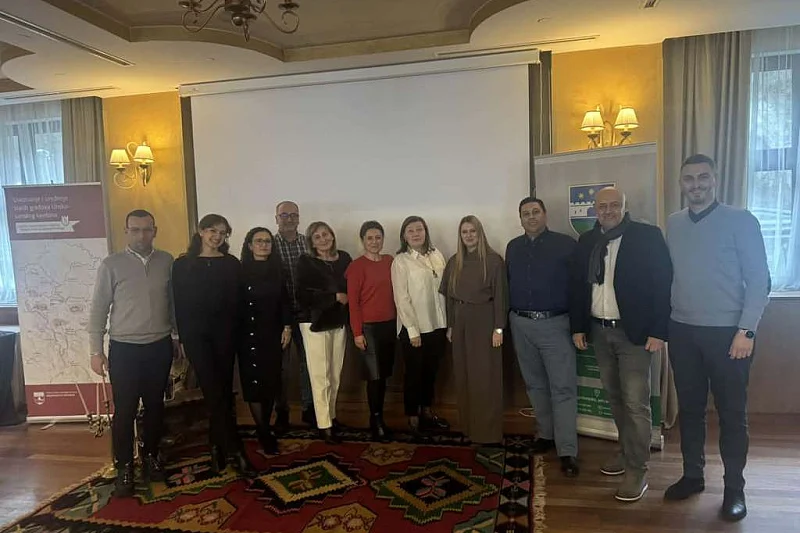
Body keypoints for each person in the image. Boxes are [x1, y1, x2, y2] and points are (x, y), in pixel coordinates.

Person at [664, 154, 770, 522]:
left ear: (715, 179)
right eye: (689, 178)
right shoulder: (674, 223)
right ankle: (693, 476)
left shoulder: (741, 220)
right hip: (682, 331)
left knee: (732, 415)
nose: (696, 184)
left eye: (703, 177)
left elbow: (759, 279)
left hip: (730, 335)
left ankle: (734, 489)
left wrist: (747, 330)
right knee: (690, 410)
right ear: (681, 183)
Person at [570, 187, 672, 502]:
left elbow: (663, 283)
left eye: (615, 205)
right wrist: (578, 327)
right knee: (615, 398)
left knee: (636, 403)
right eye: (603, 206)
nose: (608, 211)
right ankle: (627, 451)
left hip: (635, 335)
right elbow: (578, 286)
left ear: (624, 207)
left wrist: (659, 331)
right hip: (599, 331)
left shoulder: (646, 236)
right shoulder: (587, 241)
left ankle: (637, 469)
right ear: (595, 209)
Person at [88, 209, 177, 497]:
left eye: (147, 229)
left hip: (159, 345)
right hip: (124, 348)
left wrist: (176, 337)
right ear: (126, 231)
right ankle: (124, 466)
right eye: (135, 229)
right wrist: (95, 351)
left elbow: (173, 303)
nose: (141, 235)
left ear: (155, 231)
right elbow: (98, 309)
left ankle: (151, 456)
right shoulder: (111, 265)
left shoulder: (167, 261)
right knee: (125, 410)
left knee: (155, 407)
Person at [172, 214, 255, 476]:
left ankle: (216, 445)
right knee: (213, 390)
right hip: (196, 337)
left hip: (226, 335)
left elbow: (240, 303)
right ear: (200, 231)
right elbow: (178, 304)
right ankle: (236, 450)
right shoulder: (182, 265)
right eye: (212, 230)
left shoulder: (231, 264)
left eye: (222, 232)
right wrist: (179, 337)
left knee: (221, 391)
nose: (217, 236)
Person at [506, 198, 579, 477]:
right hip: (521, 324)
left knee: (562, 388)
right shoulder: (513, 247)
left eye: (535, 212)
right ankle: (545, 435)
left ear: (545, 214)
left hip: (555, 324)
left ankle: (567, 451)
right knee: (535, 385)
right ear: (520, 218)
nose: (531, 217)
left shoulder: (566, 244)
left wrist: (578, 326)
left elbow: (578, 286)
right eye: (525, 213)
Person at [440, 215, 507, 445]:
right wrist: (450, 325)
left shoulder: (493, 261)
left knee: (485, 377)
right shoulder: (454, 262)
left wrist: (499, 328)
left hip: (485, 322)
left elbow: (501, 296)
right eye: (464, 232)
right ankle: (468, 427)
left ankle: (488, 432)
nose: (468, 235)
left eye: (472, 231)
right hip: (460, 323)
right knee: (464, 375)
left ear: (480, 233)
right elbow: (449, 299)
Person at [391, 216, 450, 435]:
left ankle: (426, 410)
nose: (416, 234)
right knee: (414, 374)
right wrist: (412, 330)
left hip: (438, 325)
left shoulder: (437, 255)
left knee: (431, 372)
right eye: (411, 230)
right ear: (404, 236)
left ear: (426, 232)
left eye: (419, 229)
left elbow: (445, 290)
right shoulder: (401, 261)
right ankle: (413, 416)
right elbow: (402, 298)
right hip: (414, 329)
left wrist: (448, 324)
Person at [238, 227, 293, 455]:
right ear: (249, 245)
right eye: (258, 241)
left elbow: (284, 301)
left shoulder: (278, 269)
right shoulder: (239, 270)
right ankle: (263, 431)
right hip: (247, 333)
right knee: (253, 382)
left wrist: (287, 327)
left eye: (267, 241)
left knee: (270, 381)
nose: (263, 245)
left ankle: (265, 427)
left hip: (272, 332)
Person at [296, 221, 352, 444]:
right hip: (314, 323)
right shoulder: (305, 262)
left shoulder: (344, 258)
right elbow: (302, 295)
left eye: (325, 234)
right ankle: (324, 425)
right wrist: (334, 297)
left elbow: (352, 286)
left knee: (335, 374)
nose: (323, 239)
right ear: (311, 242)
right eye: (317, 237)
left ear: (332, 235)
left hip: (338, 321)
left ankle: (331, 416)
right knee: (320, 375)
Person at [345, 221, 396, 442]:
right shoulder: (356, 267)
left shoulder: (390, 261)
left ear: (383, 239)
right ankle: (375, 421)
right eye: (370, 238)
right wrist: (357, 333)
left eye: (378, 237)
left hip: (390, 326)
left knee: (383, 376)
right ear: (363, 241)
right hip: (368, 328)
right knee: (374, 377)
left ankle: (380, 418)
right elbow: (353, 303)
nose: (374, 242)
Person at [273, 201, 315, 430]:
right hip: (279, 317)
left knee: (308, 364)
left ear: (299, 218)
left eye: (293, 215)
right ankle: (282, 411)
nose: (289, 219)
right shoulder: (268, 244)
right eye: (284, 215)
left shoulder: (309, 243)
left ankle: (309, 409)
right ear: (276, 218)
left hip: (307, 314)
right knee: (280, 366)